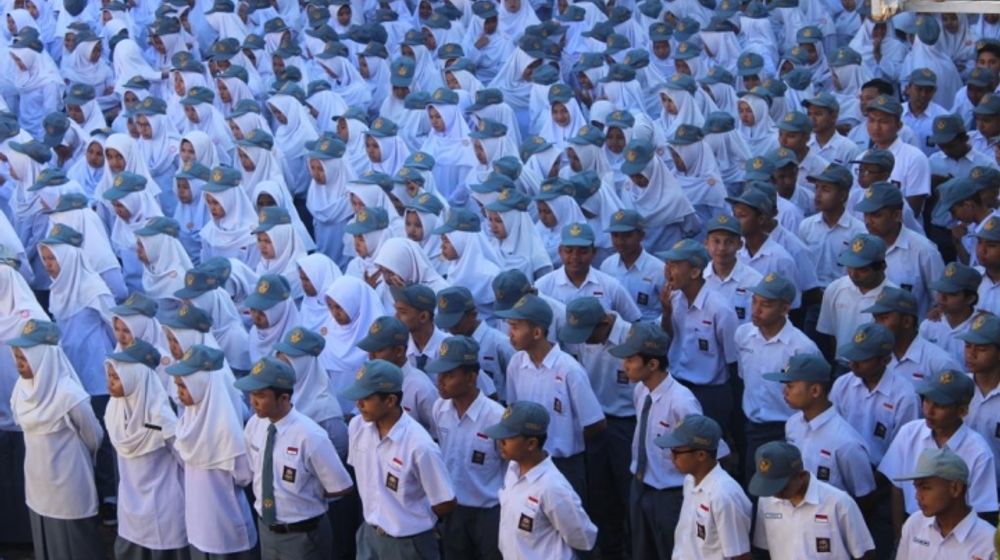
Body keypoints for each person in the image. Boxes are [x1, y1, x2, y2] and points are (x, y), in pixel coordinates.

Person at [235, 356, 354, 560]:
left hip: (302, 535)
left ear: (283, 398)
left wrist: (305, 495)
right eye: (252, 393)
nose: (253, 401)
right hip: (267, 529)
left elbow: (340, 486)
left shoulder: (310, 435)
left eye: (260, 395)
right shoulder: (254, 424)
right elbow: (256, 469)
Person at [341, 359, 457, 560]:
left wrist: (415, 520)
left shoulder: (419, 445)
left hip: (408, 543)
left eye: (366, 398)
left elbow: (445, 501)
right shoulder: (357, 427)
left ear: (390, 400)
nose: (358, 404)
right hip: (369, 535)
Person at [608, 321, 707, 557]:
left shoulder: (682, 402)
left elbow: (704, 452)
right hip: (641, 485)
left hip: (670, 495)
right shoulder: (640, 390)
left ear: (652, 364)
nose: (624, 366)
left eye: (630, 359)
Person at [9, 320, 105, 560]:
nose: (19, 365)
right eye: (17, 358)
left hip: (69, 485)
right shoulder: (21, 389)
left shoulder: (69, 395)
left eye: (24, 359)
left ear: (42, 358)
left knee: (76, 545)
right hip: (37, 483)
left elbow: (93, 436)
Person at [497, 293, 606, 500]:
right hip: (527, 462)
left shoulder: (569, 369)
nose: (509, 333)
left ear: (537, 332)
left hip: (564, 465)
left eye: (516, 327)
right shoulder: (516, 364)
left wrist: (566, 440)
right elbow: (513, 409)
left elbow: (595, 423)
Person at [878, 369, 998, 538]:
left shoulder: (979, 452)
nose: (929, 410)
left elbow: (980, 510)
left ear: (962, 411)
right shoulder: (909, 432)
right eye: (927, 400)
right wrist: (900, 536)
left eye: (940, 405)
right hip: (911, 525)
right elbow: (897, 488)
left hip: (954, 531)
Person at [558, 296, 633, 560]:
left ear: (603, 323)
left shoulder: (630, 337)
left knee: (628, 492)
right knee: (600, 494)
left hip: (626, 424)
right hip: (593, 423)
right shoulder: (583, 335)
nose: (583, 340)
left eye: (588, 334)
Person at [166, 344, 258, 559]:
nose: (178, 393)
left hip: (225, 523)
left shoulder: (225, 428)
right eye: (178, 386)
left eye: (183, 386)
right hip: (198, 523)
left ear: (200, 385)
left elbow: (244, 476)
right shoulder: (187, 419)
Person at [103, 339, 187, 559]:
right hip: (131, 501)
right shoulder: (114, 409)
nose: (110, 383)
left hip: (163, 504)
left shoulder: (161, 418)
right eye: (110, 376)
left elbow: (184, 459)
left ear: (135, 378)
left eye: (116, 378)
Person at [425, 335, 506, 560]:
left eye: (449, 375)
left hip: (489, 512)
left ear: (471, 377)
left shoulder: (496, 417)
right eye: (439, 374)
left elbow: (511, 468)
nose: (440, 381)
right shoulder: (439, 408)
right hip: (453, 511)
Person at [485, 400, 598, 559]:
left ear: (531, 444)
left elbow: (583, 538)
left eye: (506, 438)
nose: (499, 443)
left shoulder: (552, 487)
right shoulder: (512, 469)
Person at [763, 353, 877, 500]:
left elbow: (864, 495)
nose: (784, 391)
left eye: (790, 386)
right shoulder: (792, 424)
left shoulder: (846, 443)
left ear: (815, 391)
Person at [658, 238, 739, 429]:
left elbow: (733, 361)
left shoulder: (719, 308)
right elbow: (666, 340)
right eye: (667, 264)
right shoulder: (674, 299)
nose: (668, 270)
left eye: (675, 265)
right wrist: (666, 313)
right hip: (677, 385)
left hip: (709, 393)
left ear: (695, 272)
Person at [750, 441, 876, 559]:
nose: (775, 494)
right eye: (770, 487)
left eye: (782, 487)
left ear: (801, 475)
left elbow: (865, 553)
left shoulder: (839, 503)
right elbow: (763, 549)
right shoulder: (766, 500)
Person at [656, 414, 752, 560]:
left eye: (677, 452)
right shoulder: (690, 480)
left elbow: (740, 555)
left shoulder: (724, 495)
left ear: (701, 455)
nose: (671, 457)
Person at [894, 448, 998, 559]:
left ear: (955, 488)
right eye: (916, 488)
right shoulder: (914, 524)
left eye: (925, 487)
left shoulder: (990, 543)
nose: (917, 496)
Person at [534, 222, 641, 322]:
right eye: (569, 251)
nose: (575, 257)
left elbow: (634, 320)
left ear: (593, 252)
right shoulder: (543, 286)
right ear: (560, 251)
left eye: (583, 251)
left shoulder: (611, 286)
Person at [816, 233, 897, 361]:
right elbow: (830, 334)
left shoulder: (894, 297)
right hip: (842, 364)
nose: (853, 274)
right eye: (850, 267)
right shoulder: (834, 289)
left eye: (862, 269)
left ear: (881, 267)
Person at [356, 315, 439, 431]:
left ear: (399, 351)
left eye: (378, 350)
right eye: (369, 350)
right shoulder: (369, 380)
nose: (371, 357)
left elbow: (437, 433)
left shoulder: (421, 387)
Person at [865, 286, 961, 385]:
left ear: (907, 321)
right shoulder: (876, 359)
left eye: (883, 318)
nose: (877, 326)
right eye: (876, 319)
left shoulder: (940, 362)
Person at [434, 286, 514, 401]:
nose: (451, 329)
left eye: (455, 323)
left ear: (473, 314)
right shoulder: (447, 345)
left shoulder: (500, 343)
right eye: (447, 324)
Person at [957, 312, 1000, 486]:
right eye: (968, 346)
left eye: (981, 349)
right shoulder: (957, 387)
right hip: (954, 486)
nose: (971, 354)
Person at [600, 209, 665, 322]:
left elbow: (671, 309)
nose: (620, 242)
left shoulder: (659, 269)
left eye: (627, 235)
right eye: (615, 235)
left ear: (641, 236)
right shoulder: (606, 266)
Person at [920, 262, 980, 364]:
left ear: (970, 299)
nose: (942, 298)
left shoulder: (981, 329)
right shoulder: (928, 325)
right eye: (940, 291)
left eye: (951, 294)